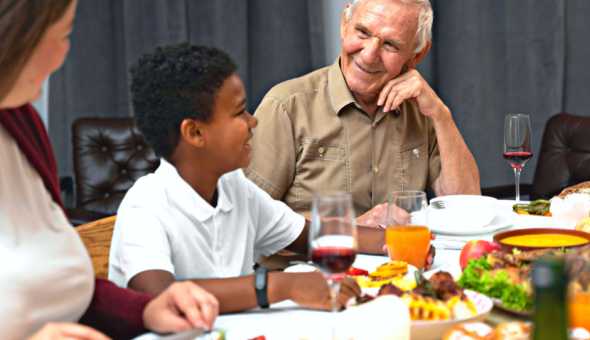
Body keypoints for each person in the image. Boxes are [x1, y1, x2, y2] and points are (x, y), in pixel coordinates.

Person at [108, 43, 392, 313]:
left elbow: (315, 238)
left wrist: (404, 239)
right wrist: (281, 286)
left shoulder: (235, 187)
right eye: (238, 112)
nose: (253, 120)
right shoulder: (145, 206)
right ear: (195, 133)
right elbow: (160, 295)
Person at [0, 1, 218, 339]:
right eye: (63, 35)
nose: (65, 53)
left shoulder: (20, 121)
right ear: (16, 37)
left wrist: (144, 309)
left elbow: (61, 283)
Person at [244, 0, 478, 268]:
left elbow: (467, 212)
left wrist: (441, 114)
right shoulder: (286, 106)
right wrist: (353, 231)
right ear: (345, 23)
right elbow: (248, 222)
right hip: (305, 288)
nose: (369, 54)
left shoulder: (423, 112)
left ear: (417, 55)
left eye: (391, 44)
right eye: (363, 32)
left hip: (399, 284)